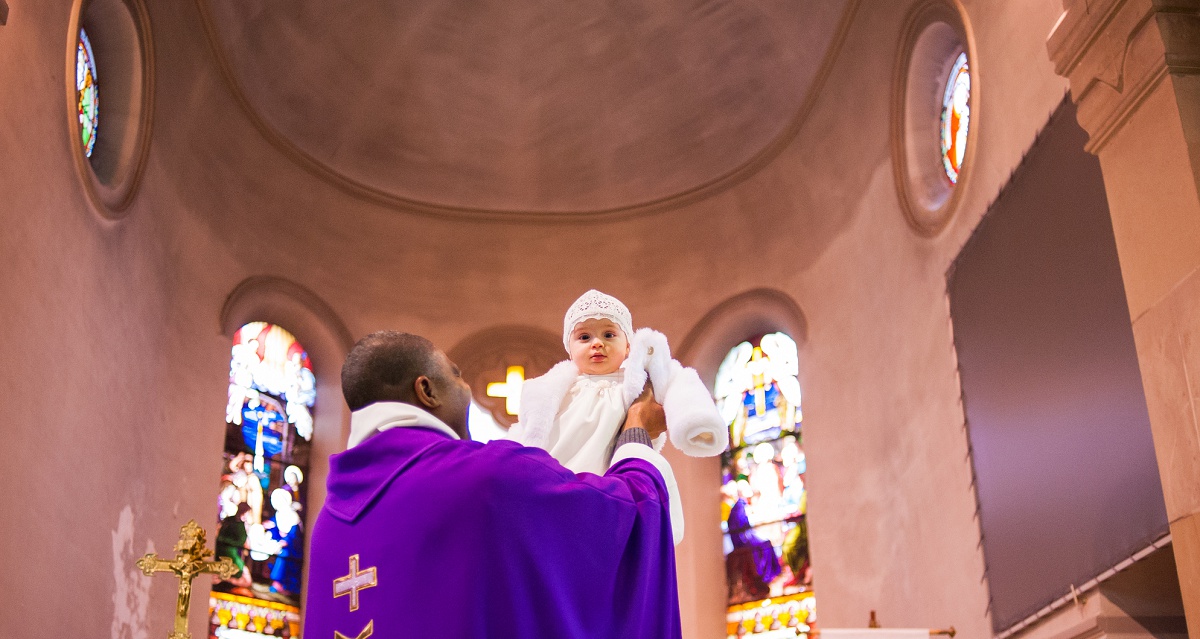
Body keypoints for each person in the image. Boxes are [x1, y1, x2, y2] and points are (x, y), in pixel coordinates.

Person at [304, 331, 684, 638]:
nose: (466, 389)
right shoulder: (487, 477)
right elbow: (628, 518)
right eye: (456, 376)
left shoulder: (328, 526)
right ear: (427, 391)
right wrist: (637, 430)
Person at [508, 289, 727, 476]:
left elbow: (682, 384)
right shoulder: (555, 387)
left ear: (629, 346)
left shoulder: (638, 380)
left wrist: (697, 424)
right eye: (584, 337)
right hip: (560, 473)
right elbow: (528, 430)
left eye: (609, 335)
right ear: (570, 349)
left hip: (614, 477)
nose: (597, 343)